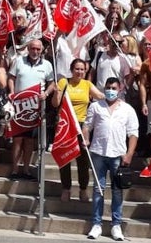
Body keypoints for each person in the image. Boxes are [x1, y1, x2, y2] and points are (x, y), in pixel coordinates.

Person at [83, 77, 138, 241]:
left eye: (114, 87)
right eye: (108, 87)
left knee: (117, 190)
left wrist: (129, 154)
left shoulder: (127, 109)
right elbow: (87, 125)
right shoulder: (95, 106)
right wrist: (86, 137)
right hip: (98, 152)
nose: (111, 90)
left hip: (118, 154)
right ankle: (97, 224)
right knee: (98, 190)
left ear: (120, 88)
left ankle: (116, 224)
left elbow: (133, 133)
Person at [52, 58, 104, 202]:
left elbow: (100, 96)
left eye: (82, 69)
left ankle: (83, 189)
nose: (80, 72)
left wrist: (114, 97)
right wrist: (56, 94)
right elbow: (55, 104)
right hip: (66, 125)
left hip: (82, 126)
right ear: (71, 70)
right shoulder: (64, 83)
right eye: (77, 69)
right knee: (65, 158)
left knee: (83, 160)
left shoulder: (87, 84)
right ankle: (66, 188)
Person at [7, 39, 55, 179]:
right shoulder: (19, 61)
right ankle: (15, 170)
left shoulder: (47, 65)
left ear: (42, 50)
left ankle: (26, 170)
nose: (35, 51)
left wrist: (46, 93)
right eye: (33, 48)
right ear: (28, 48)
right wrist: (11, 92)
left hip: (36, 107)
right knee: (17, 139)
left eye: (38, 49)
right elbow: (11, 78)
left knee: (29, 141)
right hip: (19, 105)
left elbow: (51, 83)